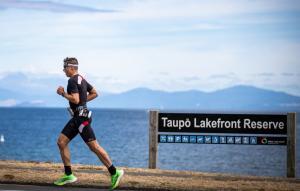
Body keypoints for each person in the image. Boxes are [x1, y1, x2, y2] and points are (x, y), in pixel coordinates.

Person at [54, 57, 124, 190]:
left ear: (71, 68)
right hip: (78, 117)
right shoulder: (81, 79)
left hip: (81, 119)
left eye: (65, 68)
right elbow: (94, 93)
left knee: (94, 147)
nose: (63, 71)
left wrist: (63, 93)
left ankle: (115, 172)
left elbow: (75, 99)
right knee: (61, 142)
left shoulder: (72, 81)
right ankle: (68, 174)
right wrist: (82, 104)